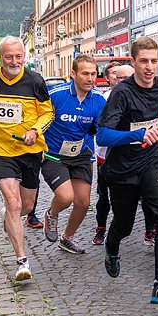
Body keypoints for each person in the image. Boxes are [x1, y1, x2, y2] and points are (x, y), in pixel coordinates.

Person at [96, 36, 158, 303]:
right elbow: (103, 136)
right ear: (133, 62)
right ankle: (111, 245)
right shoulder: (122, 93)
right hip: (122, 170)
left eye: (154, 61)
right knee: (124, 225)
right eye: (143, 61)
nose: (149, 67)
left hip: (151, 163)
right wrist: (136, 135)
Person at [0, 36, 55, 281]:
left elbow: (48, 112)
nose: (14, 61)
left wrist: (35, 131)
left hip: (30, 150)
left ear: (24, 57)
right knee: (13, 202)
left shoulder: (35, 81)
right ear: (0, 58)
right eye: (9, 57)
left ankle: (9, 213)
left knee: (25, 207)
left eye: (18, 57)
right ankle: (22, 261)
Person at [40, 54, 106, 254]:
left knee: (83, 202)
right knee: (65, 196)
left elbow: (99, 129)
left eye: (93, 74)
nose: (90, 78)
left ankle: (67, 238)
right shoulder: (56, 94)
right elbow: (37, 120)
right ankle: (51, 214)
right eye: (85, 73)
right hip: (53, 154)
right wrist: (38, 144)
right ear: (73, 74)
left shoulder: (98, 99)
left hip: (81, 153)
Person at [92, 61, 127, 245]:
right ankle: (101, 228)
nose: (119, 79)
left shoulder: (137, 96)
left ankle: (146, 230)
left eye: (124, 77)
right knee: (103, 195)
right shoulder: (103, 99)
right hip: (105, 155)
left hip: (128, 155)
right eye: (116, 75)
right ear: (108, 78)